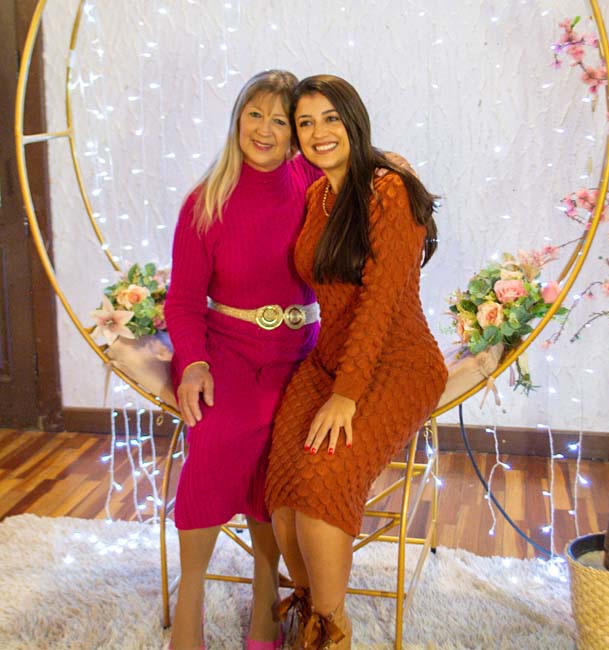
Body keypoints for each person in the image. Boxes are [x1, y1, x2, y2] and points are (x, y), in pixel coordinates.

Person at [265, 75, 448, 649]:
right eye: (305, 122)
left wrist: (346, 394)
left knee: (322, 482)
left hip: (398, 361)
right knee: (282, 491)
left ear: (353, 119)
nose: (318, 132)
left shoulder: (389, 190)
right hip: (328, 359)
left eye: (330, 118)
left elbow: (379, 304)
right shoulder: (317, 195)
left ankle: (330, 631)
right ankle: (311, 612)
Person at [164, 69, 322, 650]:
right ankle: (190, 603)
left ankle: (265, 607)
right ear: (237, 119)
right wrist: (194, 363)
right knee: (215, 439)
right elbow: (182, 302)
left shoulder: (313, 183)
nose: (265, 129)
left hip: (299, 353)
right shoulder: (205, 201)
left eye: (280, 120)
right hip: (226, 351)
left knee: (279, 463)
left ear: (295, 134)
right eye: (255, 114)